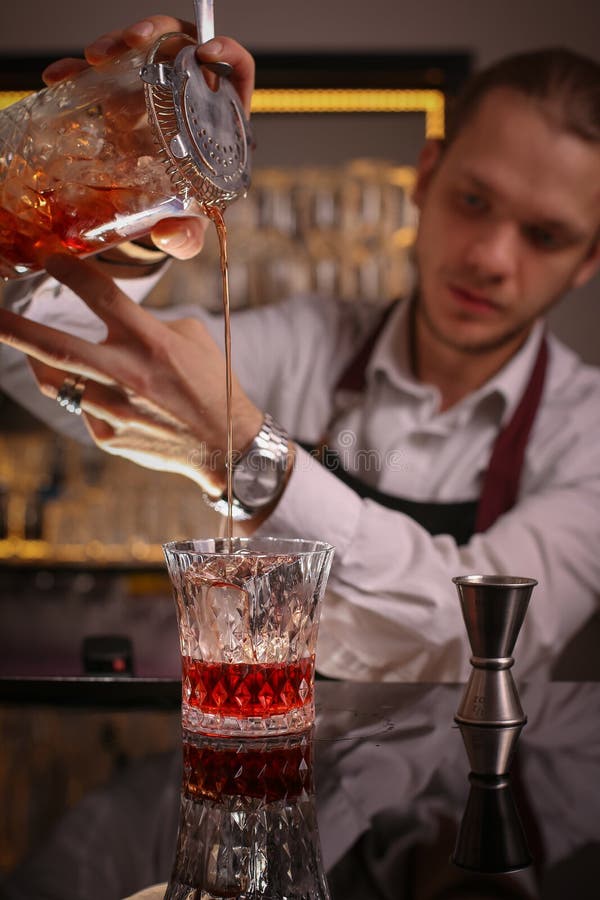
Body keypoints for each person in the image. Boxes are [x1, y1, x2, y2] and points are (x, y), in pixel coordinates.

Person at [1, 15, 599, 682]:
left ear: (587, 260)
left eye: (544, 237)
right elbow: (39, 364)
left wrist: (247, 459)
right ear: (426, 177)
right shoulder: (311, 341)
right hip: (276, 766)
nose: (491, 257)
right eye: (473, 200)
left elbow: (477, 640)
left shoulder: (587, 434)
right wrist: (126, 185)